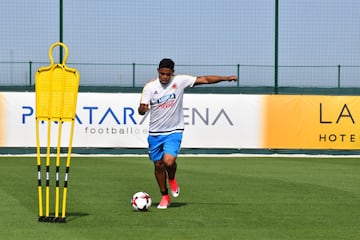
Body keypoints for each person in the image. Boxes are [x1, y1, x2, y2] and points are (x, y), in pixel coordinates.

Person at [138, 58, 237, 209]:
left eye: (168, 74)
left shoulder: (180, 81)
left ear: (173, 73)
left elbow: (204, 79)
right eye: (162, 73)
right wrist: (142, 109)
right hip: (155, 132)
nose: (165, 77)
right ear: (158, 71)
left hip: (174, 130)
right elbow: (141, 109)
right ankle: (165, 196)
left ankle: (172, 178)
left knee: (169, 162)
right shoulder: (150, 87)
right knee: (158, 165)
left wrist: (226, 78)